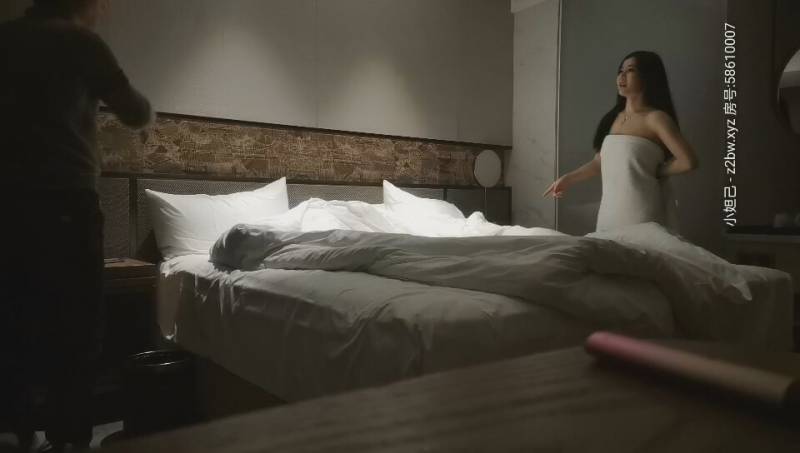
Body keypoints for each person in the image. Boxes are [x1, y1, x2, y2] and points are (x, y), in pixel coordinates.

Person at [0, 0, 152, 451]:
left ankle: (13, 430)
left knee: (13, 318)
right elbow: (133, 110)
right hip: (64, 200)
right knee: (76, 325)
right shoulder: (79, 42)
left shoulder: (6, 37)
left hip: (8, 201)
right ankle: (68, 438)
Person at [543, 50, 698, 233]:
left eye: (630, 70)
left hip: (641, 212)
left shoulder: (656, 118)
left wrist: (659, 171)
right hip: (609, 211)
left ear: (648, 76)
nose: (621, 76)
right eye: (620, 71)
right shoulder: (613, 118)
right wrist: (567, 179)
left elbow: (688, 161)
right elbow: (599, 163)